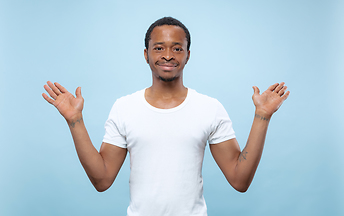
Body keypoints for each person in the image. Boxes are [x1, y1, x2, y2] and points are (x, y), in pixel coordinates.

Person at [42, 17, 290, 216]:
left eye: (177, 48)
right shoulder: (125, 107)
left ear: (188, 55)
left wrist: (262, 116)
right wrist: (75, 120)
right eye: (158, 48)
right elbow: (102, 179)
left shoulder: (209, 108)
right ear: (146, 54)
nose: (168, 55)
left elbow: (240, 180)